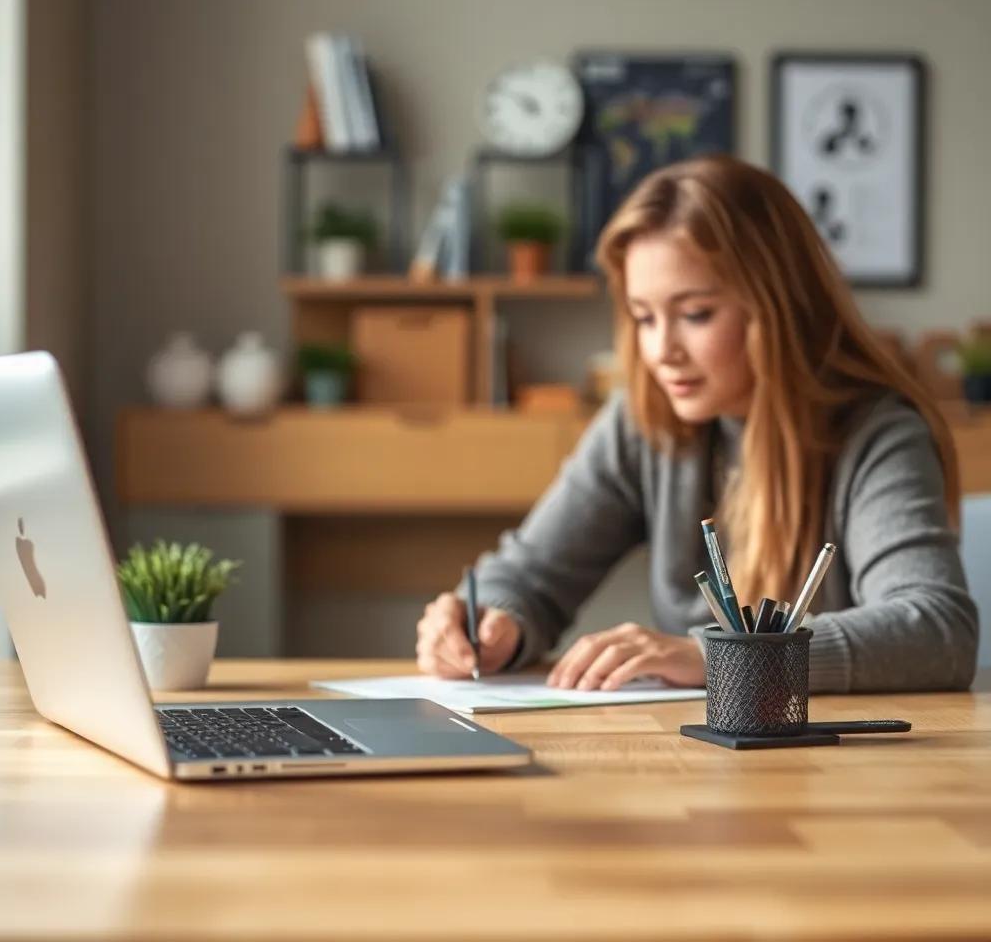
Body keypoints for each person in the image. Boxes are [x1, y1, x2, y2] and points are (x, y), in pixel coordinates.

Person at [414, 155, 978, 693]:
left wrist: (718, 655)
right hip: (697, 765)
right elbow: (531, 574)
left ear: (778, 307)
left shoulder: (878, 435)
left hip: (844, 772)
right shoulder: (642, 422)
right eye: (643, 317)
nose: (662, 351)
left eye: (695, 314)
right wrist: (491, 623)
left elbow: (936, 630)